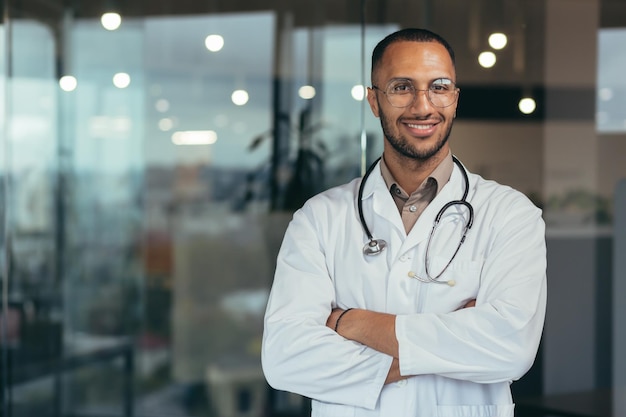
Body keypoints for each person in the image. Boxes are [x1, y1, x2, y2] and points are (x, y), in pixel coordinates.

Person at [261, 27, 547, 417]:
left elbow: (511, 347)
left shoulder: (510, 215)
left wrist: (353, 323)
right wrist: (451, 343)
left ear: (455, 99)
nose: (422, 105)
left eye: (439, 87)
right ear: (374, 101)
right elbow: (284, 357)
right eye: (401, 87)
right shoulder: (320, 218)